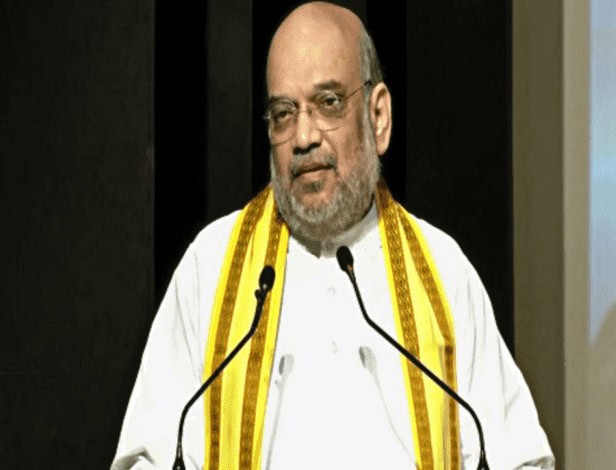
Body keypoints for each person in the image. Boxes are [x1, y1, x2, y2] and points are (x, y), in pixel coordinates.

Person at [112, 2, 554, 469]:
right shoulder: (212, 266)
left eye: (328, 103)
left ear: (378, 116)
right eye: (283, 113)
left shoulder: (443, 272)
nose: (303, 136)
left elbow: (519, 459)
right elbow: (148, 458)